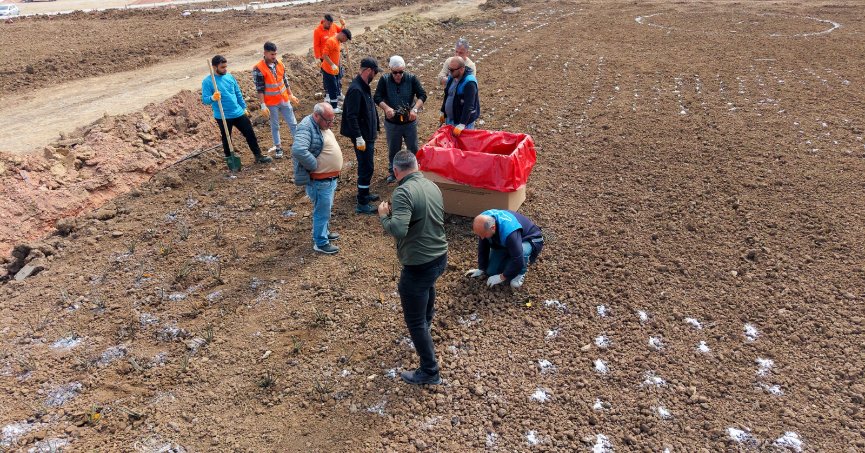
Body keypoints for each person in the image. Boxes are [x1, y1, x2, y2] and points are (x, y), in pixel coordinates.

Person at [378, 150, 448, 385]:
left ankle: (430, 371)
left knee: (414, 320)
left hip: (419, 264)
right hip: (440, 256)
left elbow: (398, 229)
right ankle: (426, 324)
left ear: (396, 171)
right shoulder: (432, 186)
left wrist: (384, 216)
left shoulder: (403, 192)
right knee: (427, 288)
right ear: (416, 166)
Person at [202, 55, 272, 165]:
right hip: (223, 116)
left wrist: (244, 107)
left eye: (226, 66)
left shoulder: (230, 77)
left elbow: (238, 93)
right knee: (227, 138)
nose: (225, 69)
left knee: (250, 133)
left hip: (238, 112)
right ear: (214, 67)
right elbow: (205, 100)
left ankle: (258, 155)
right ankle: (230, 160)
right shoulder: (207, 82)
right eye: (222, 67)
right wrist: (213, 98)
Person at [292, 103, 342, 254]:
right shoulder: (306, 127)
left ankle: (324, 233)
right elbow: (298, 149)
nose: (331, 124)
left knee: (325, 209)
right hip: (320, 181)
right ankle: (320, 242)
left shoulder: (319, 125)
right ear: (316, 116)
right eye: (328, 121)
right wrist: (313, 164)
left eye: (333, 120)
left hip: (328, 180)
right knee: (321, 211)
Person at [373, 55, 427, 184]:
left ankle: (415, 172)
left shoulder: (411, 79)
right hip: (392, 123)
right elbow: (377, 97)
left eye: (401, 72)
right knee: (393, 148)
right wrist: (386, 108)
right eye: (395, 72)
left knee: (413, 147)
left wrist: (415, 109)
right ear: (390, 69)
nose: (398, 75)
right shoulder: (384, 80)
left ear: (404, 70)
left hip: (409, 122)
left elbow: (422, 94)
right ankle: (393, 172)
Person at [340, 57, 381, 215]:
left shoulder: (364, 86)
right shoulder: (356, 89)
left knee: (367, 165)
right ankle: (362, 202)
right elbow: (351, 116)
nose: (375, 75)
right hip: (362, 137)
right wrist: (358, 137)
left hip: (367, 135)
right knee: (366, 167)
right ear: (369, 71)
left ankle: (365, 192)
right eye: (375, 72)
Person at [465, 209, 544, 289]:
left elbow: (518, 258)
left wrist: (502, 277)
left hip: (529, 239)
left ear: (493, 228)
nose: (481, 237)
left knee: (521, 254)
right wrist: (481, 268)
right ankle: (511, 257)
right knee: (491, 271)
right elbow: (483, 246)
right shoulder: (482, 220)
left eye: (483, 234)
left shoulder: (510, 232)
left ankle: (520, 273)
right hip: (507, 241)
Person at [253, 41, 300, 159]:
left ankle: (299, 144)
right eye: (272, 54)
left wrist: (291, 95)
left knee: (293, 123)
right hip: (271, 103)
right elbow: (260, 89)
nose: (274, 57)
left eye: (275, 54)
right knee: (275, 125)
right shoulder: (258, 68)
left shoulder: (280, 64)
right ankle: (278, 148)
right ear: (265, 53)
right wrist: (263, 105)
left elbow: (285, 81)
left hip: (284, 99)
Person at [439, 56, 480, 137]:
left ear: (461, 69)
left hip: (463, 124)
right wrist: (443, 111)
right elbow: (447, 94)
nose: (450, 72)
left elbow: (469, 105)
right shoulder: (452, 77)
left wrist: (462, 124)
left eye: (452, 70)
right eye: (449, 69)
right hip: (451, 120)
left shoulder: (469, 83)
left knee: (463, 146)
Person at [312, 14, 347, 105]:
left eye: (331, 24)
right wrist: (319, 57)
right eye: (328, 24)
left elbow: (343, 33)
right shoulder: (317, 31)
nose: (330, 26)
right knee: (327, 76)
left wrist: (343, 24)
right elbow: (316, 45)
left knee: (338, 74)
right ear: (324, 21)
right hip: (325, 57)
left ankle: (338, 92)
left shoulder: (333, 26)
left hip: (335, 55)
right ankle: (328, 94)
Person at [321, 29, 352, 113]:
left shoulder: (337, 40)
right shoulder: (331, 41)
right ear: (343, 36)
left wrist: (338, 66)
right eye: (345, 39)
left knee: (335, 86)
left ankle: (335, 103)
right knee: (332, 88)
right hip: (328, 69)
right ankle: (334, 108)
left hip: (334, 69)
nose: (345, 41)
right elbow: (324, 55)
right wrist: (333, 65)